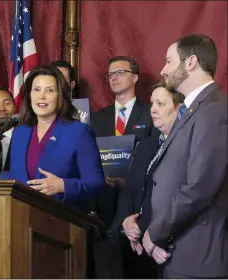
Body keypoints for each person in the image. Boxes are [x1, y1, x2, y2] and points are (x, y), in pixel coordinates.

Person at [142, 34, 228, 278]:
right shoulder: (195, 108)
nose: (163, 69)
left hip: (199, 257)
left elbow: (201, 186)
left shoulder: (214, 109)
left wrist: (155, 233)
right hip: (179, 249)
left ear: (190, 62)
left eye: (169, 61)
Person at [0, 65, 105, 212]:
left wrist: (62, 185)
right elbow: (10, 174)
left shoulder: (79, 132)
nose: (41, 96)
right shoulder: (19, 133)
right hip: (19, 217)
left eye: (49, 90)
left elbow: (96, 183)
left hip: (63, 220)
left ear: (60, 96)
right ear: (29, 96)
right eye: (36, 90)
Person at [110, 80, 185, 278]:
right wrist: (126, 222)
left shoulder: (186, 145)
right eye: (152, 103)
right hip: (134, 245)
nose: (153, 109)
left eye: (161, 104)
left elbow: (179, 197)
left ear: (179, 108)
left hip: (166, 245)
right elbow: (130, 189)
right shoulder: (145, 145)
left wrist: (148, 232)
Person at [91, 56, 155, 230]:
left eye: (120, 72)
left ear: (135, 77)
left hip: (138, 202)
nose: (113, 77)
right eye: (110, 74)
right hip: (104, 202)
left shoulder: (151, 113)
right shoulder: (98, 117)